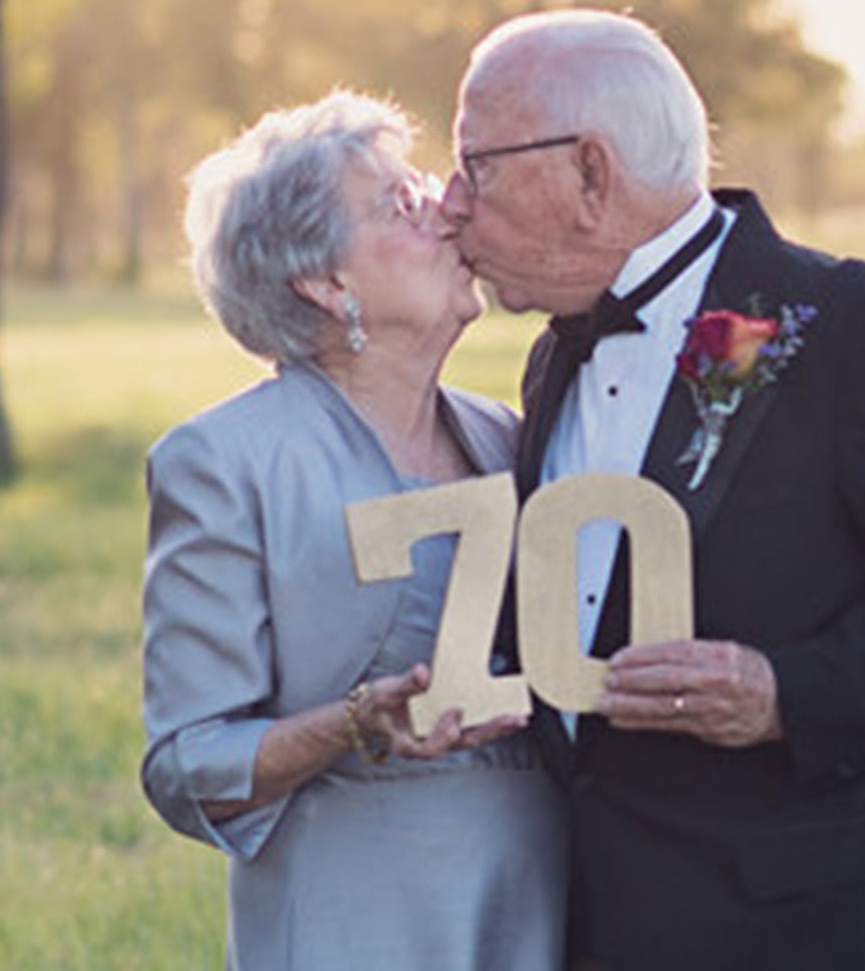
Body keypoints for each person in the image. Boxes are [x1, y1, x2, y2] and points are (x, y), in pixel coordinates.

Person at [439, 9, 865, 969]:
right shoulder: (554, 355)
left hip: (810, 933)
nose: (451, 201)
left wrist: (789, 692)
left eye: (476, 165)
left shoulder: (857, 328)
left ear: (589, 174)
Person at [140, 90, 567, 970]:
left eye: (427, 186)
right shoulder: (222, 461)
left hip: (540, 897)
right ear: (326, 284)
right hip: (359, 913)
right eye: (399, 203)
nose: (447, 209)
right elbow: (189, 763)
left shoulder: (511, 435)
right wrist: (353, 724)